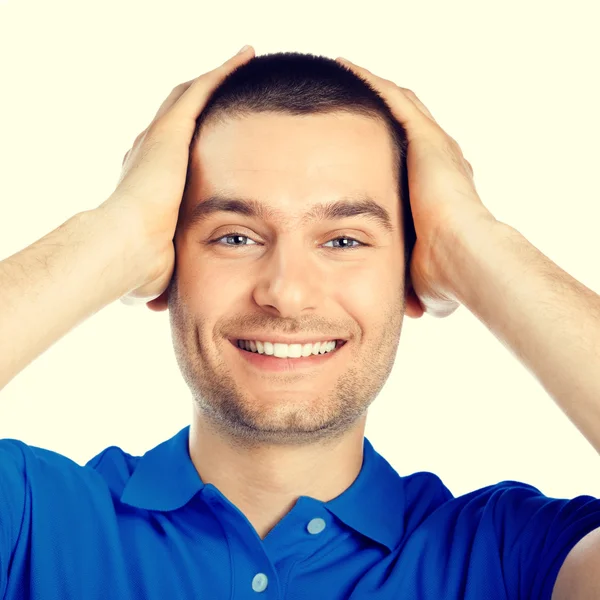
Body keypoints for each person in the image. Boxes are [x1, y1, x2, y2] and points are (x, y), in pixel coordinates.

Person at [0, 46, 598, 599]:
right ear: (164, 268)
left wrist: (473, 243)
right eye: (234, 236)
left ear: (413, 278)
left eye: (343, 239)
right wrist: (119, 229)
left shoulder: (510, 557)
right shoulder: (30, 520)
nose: (286, 293)